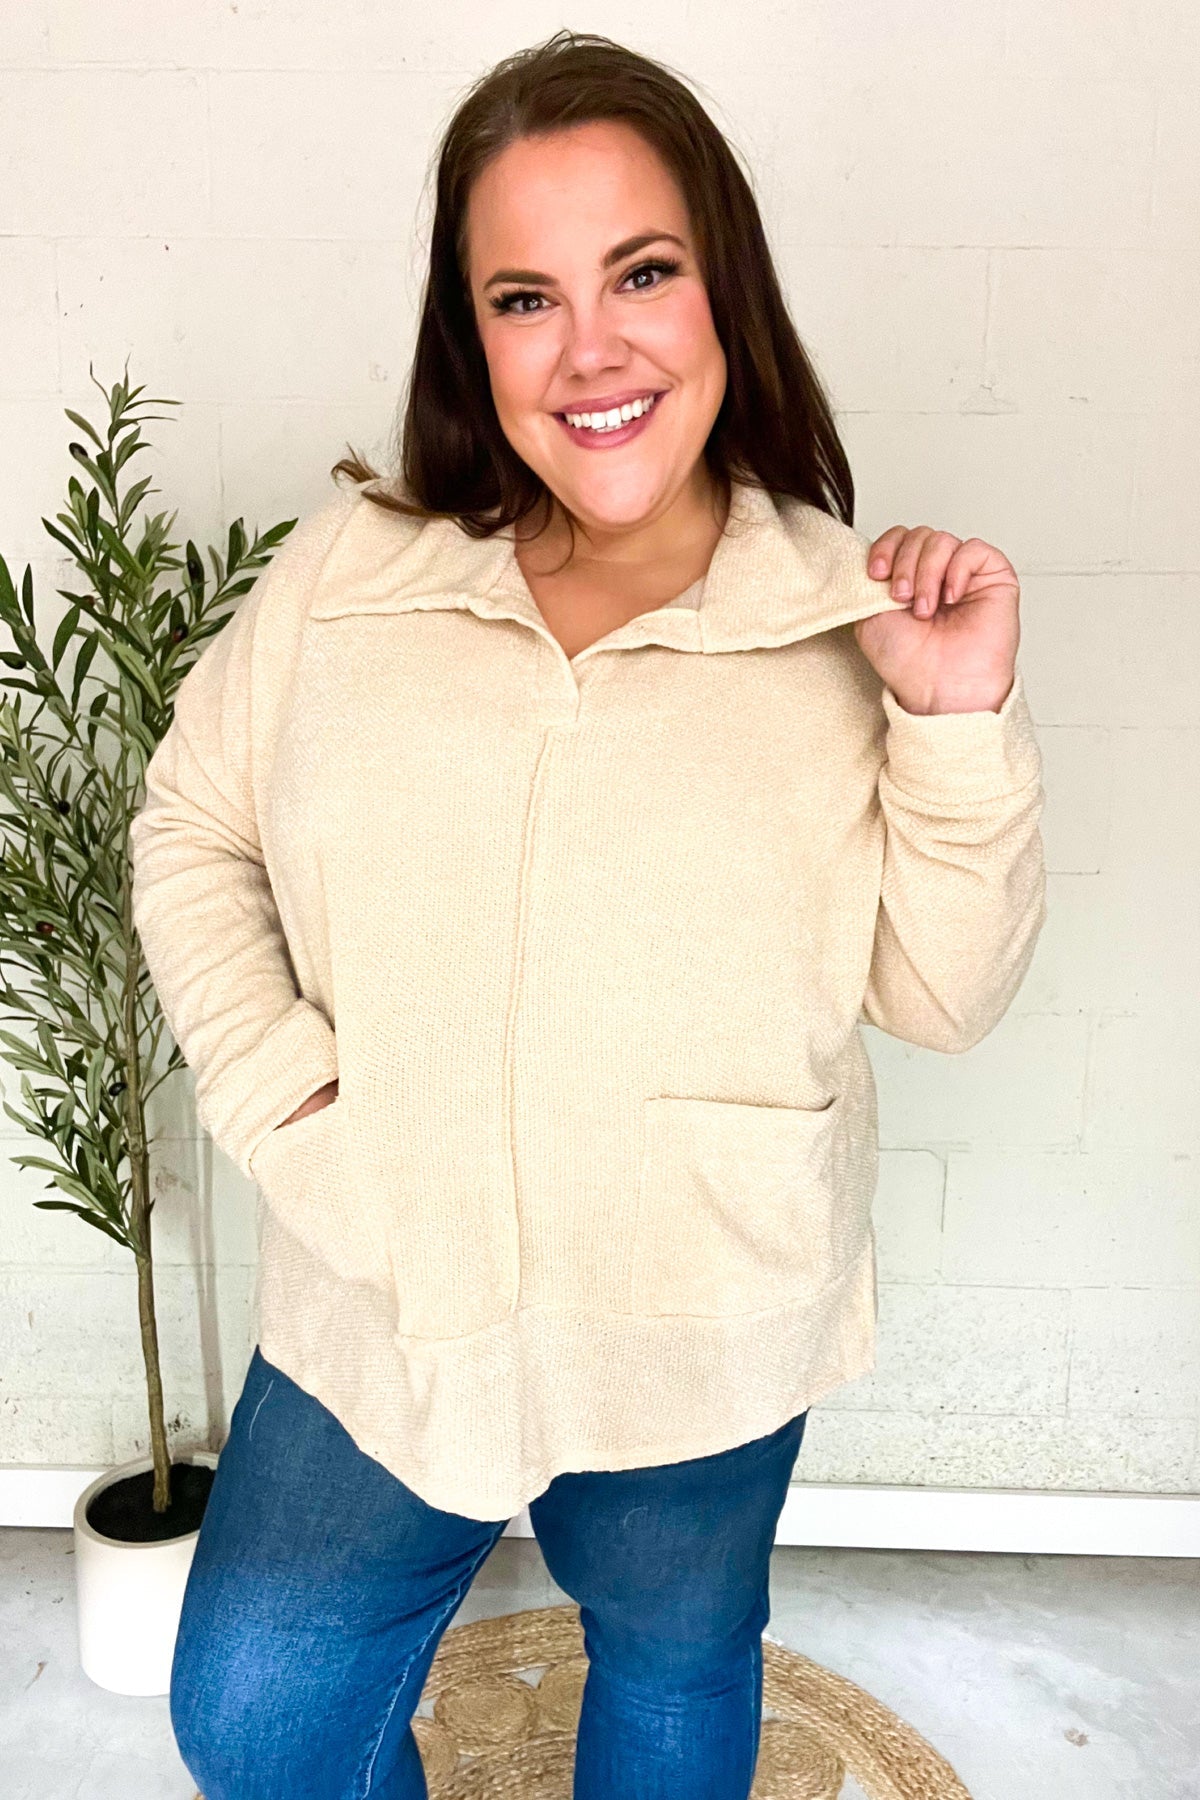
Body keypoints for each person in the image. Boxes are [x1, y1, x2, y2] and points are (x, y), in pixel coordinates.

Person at [129, 29, 1047, 1800]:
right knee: (259, 1717)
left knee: (676, 1669)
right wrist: (289, 1100)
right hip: (383, 1285)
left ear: (724, 290)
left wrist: (952, 719)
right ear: (469, 336)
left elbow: (945, 994)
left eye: (642, 273)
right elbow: (191, 828)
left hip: (703, 1308)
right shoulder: (351, 572)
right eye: (526, 298)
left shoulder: (843, 615)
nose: (593, 350)